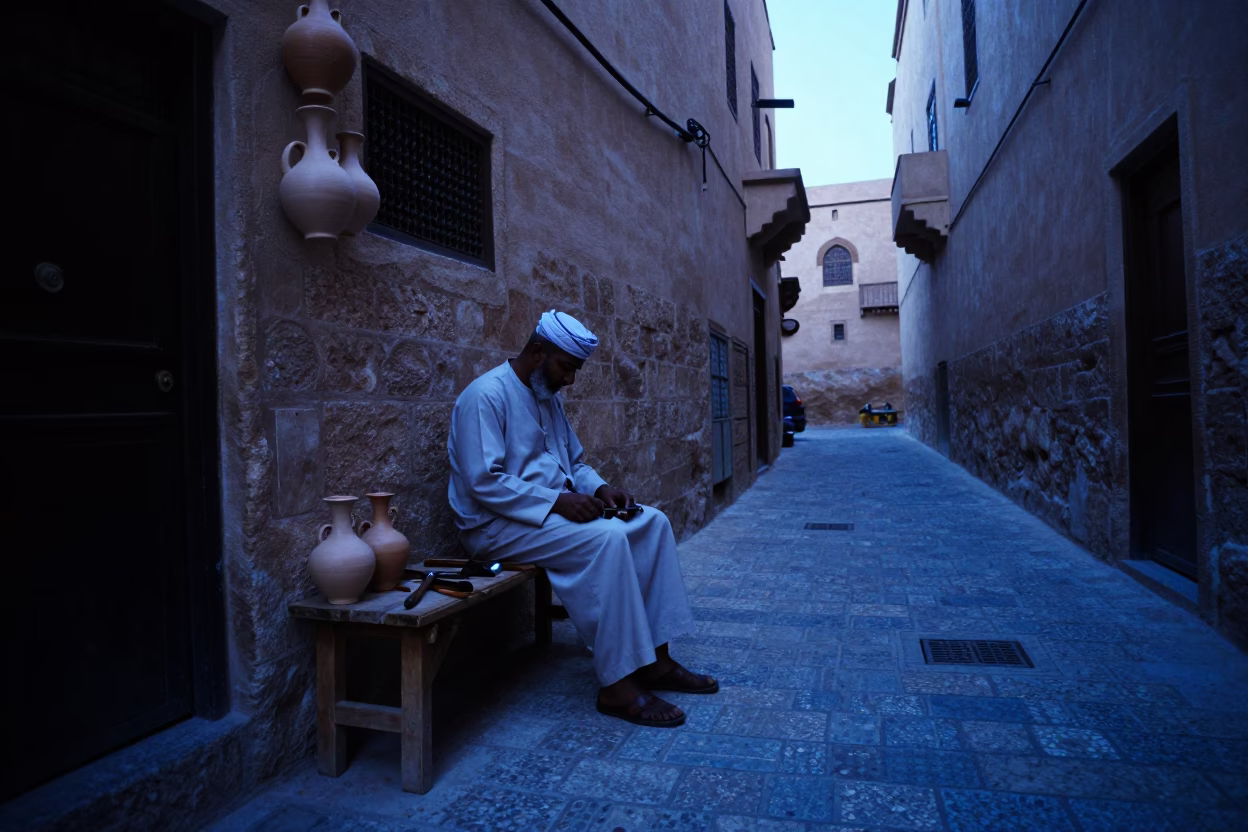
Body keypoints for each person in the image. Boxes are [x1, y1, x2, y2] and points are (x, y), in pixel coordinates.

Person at [447, 309, 717, 727]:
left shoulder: (545, 398)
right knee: (606, 539)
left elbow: (573, 463)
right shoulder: (485, 396)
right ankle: (618, 684)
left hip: (540, 517)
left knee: (653, 523)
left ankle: (656, 660)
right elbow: (484, 482)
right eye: (567, 367)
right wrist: (557, 502)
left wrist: (599, 489)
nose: (570, 379)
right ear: (538, 352)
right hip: (494, 527)